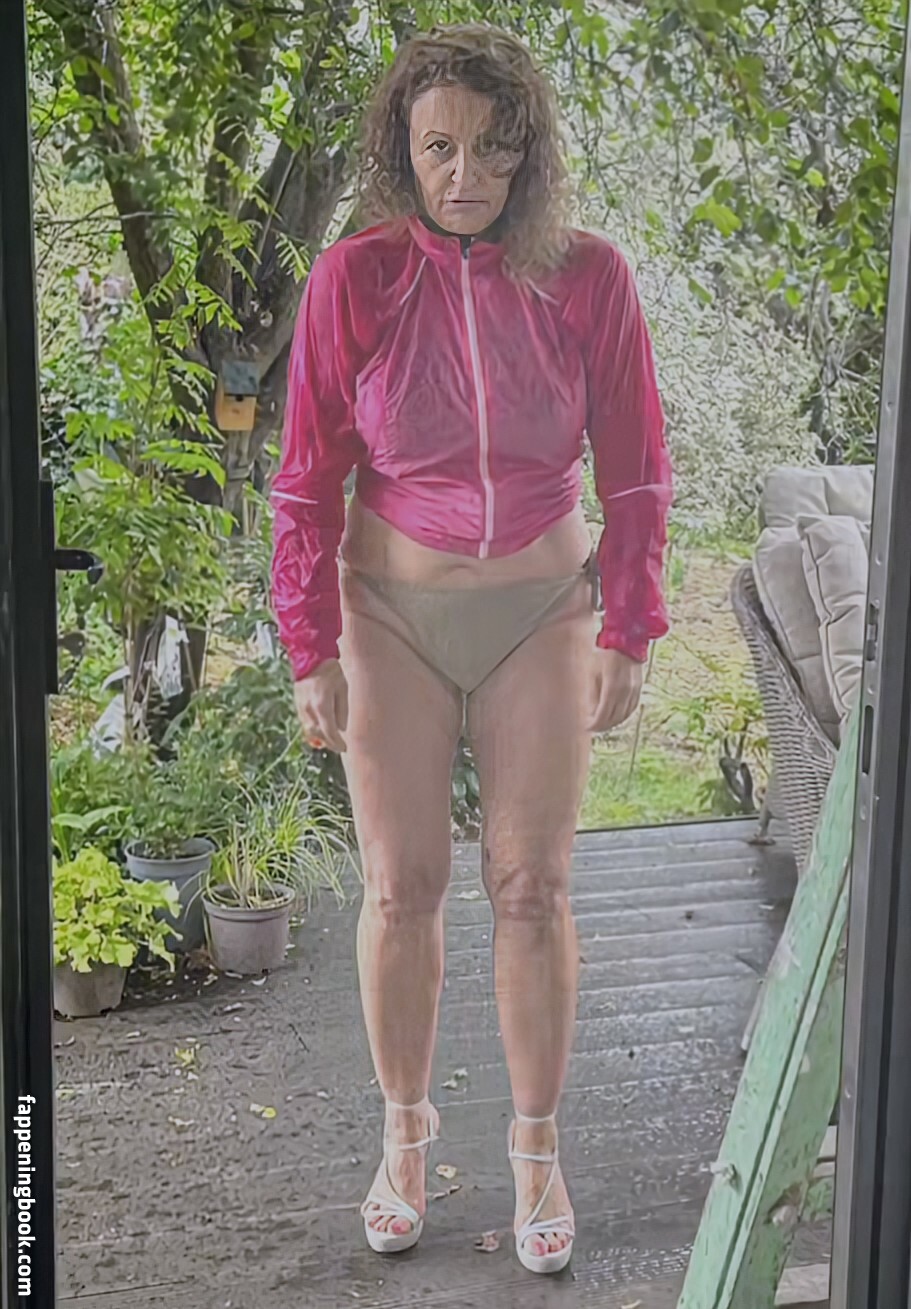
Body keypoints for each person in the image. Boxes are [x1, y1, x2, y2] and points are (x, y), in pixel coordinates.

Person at [270, 21, 673, 1276]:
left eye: (491, 148)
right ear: (402, 149)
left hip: (539, 611)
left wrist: (628, 623)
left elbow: (637, 470)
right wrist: (308, 644)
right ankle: (403, 1136)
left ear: (526, 153)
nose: (463, 175)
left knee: (530, 885)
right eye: (438, 147)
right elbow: (305, 479)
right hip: (387, 612)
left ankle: (536, 1148)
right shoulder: (355, 280)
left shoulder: (588, 278)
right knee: (400, 885)